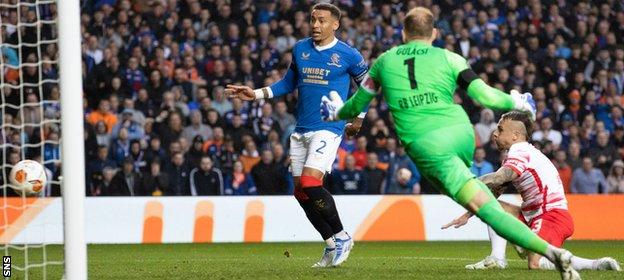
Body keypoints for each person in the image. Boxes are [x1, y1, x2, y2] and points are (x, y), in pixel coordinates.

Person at [321, 7, 580, 279]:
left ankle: (551, 253)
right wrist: (517, 101)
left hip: (429, 145)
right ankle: (533, 251)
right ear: (434, 33)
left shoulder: (385, 61)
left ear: (403, 33)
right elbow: (486, 96)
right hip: (461, 132)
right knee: (479, 199)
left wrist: (335, 112)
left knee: (485, 208)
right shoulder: (450, 57)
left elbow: (356, 106)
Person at [226, 3, 367, 267]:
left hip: (329, 125)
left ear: (335, 24)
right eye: (313, 20)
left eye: (322, 21)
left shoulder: (348, 54)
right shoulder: (301, 48)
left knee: (312, 184)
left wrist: (358, 118)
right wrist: (255, 93)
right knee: (301, 192)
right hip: (302, 129)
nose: (315, 25)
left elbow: (368, 85)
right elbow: (288, 83)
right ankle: (329, 244)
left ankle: (343, 235)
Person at [442, 112, 620, 272]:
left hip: (552, 217)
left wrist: (463, 182)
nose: (495, 134)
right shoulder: (520, 153)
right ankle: (497, 259)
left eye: (500, 129)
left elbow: (499, 178)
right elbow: (493, 192)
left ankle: (595, 264)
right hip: (533, 216)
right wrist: (468, 214)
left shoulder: (520, 150)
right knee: (492, 206)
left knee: (536, 263)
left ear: (515, 136)